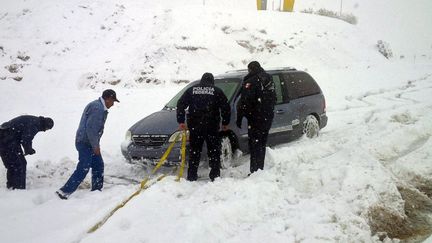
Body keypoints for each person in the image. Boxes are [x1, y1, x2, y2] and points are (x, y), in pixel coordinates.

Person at [56, 89, 119, 199]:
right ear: (108, 99)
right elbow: (91, 129)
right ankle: (64, 192)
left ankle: (96, 191)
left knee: (98, 165)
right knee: (83, 167)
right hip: (85, 142)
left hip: (88, 141)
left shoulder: (98, 106)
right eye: (113, 101)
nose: (113, 104)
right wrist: (95, 146)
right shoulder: (97, 108)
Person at [177, 73, 231, 181]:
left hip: (195, 126)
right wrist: (225, 122)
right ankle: (215, 175)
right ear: (212, 81)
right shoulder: (216, 91)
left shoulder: (192, 90)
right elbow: (226, 107)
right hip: (212, 125)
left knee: (195, 151)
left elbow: (180, 104)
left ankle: (192, 176)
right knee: (214, 151)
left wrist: (181, 121)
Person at [236, 61, 276, 174]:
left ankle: (255, 170)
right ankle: (260, 169)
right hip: (267, 116)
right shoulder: (269, 80)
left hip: (255, 118)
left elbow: (244, 102)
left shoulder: (251, 81)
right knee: (262, 143)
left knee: (254, 144)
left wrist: (240, 117)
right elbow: (273, 98)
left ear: (250, 69)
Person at [0, 115, 54, 189]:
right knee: (20, 164)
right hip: (8, 140)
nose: (45, 131)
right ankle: (18, 188)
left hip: (4, 137)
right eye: (47, 129)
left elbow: (23, 135)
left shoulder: (33, 120)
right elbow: (26, 139)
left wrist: (28, 149)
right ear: (46, 125)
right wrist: (29, 150)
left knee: (12, 165)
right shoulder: (35, 124)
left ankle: (11, 186)